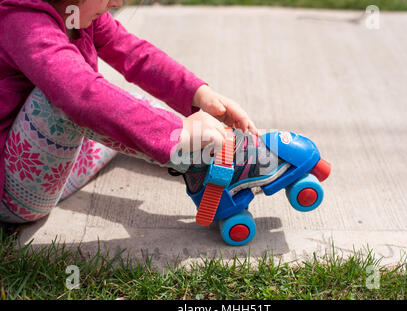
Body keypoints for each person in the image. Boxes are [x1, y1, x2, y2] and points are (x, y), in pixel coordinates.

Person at [0, 0, 285, 224]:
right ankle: (206, 154)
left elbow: (134, 53)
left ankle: (205, 157)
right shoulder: (21, 22)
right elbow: (80, 95)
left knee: (122, 107)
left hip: (67, 163)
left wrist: (201, 94)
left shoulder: (77, 11)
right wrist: (177, 133)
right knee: (70, 98)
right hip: (15, 195)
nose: (116, 4)